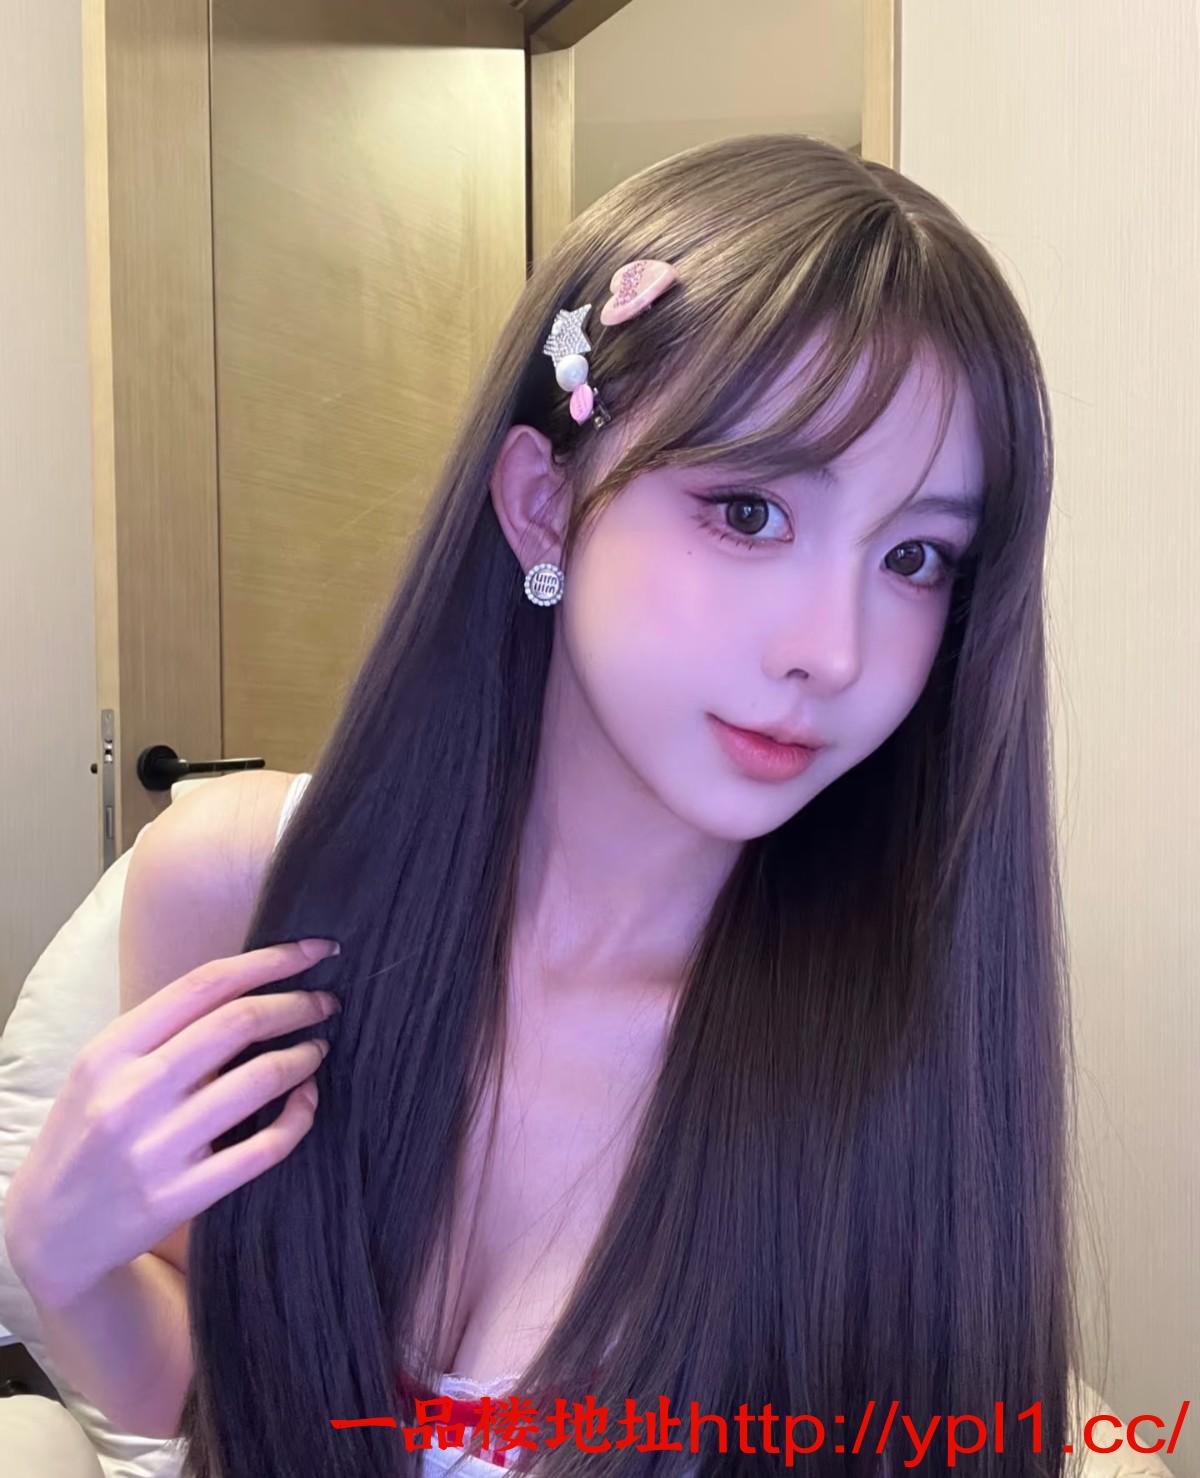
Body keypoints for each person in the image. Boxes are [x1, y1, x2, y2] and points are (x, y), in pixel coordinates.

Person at [5, 133, 1086, 1476]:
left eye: (917, 555)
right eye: (750, 512)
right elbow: (226, 1398)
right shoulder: (242, 891)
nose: (835, 650)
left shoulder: (899, 1035)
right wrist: (66, 1263)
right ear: (541, 503)